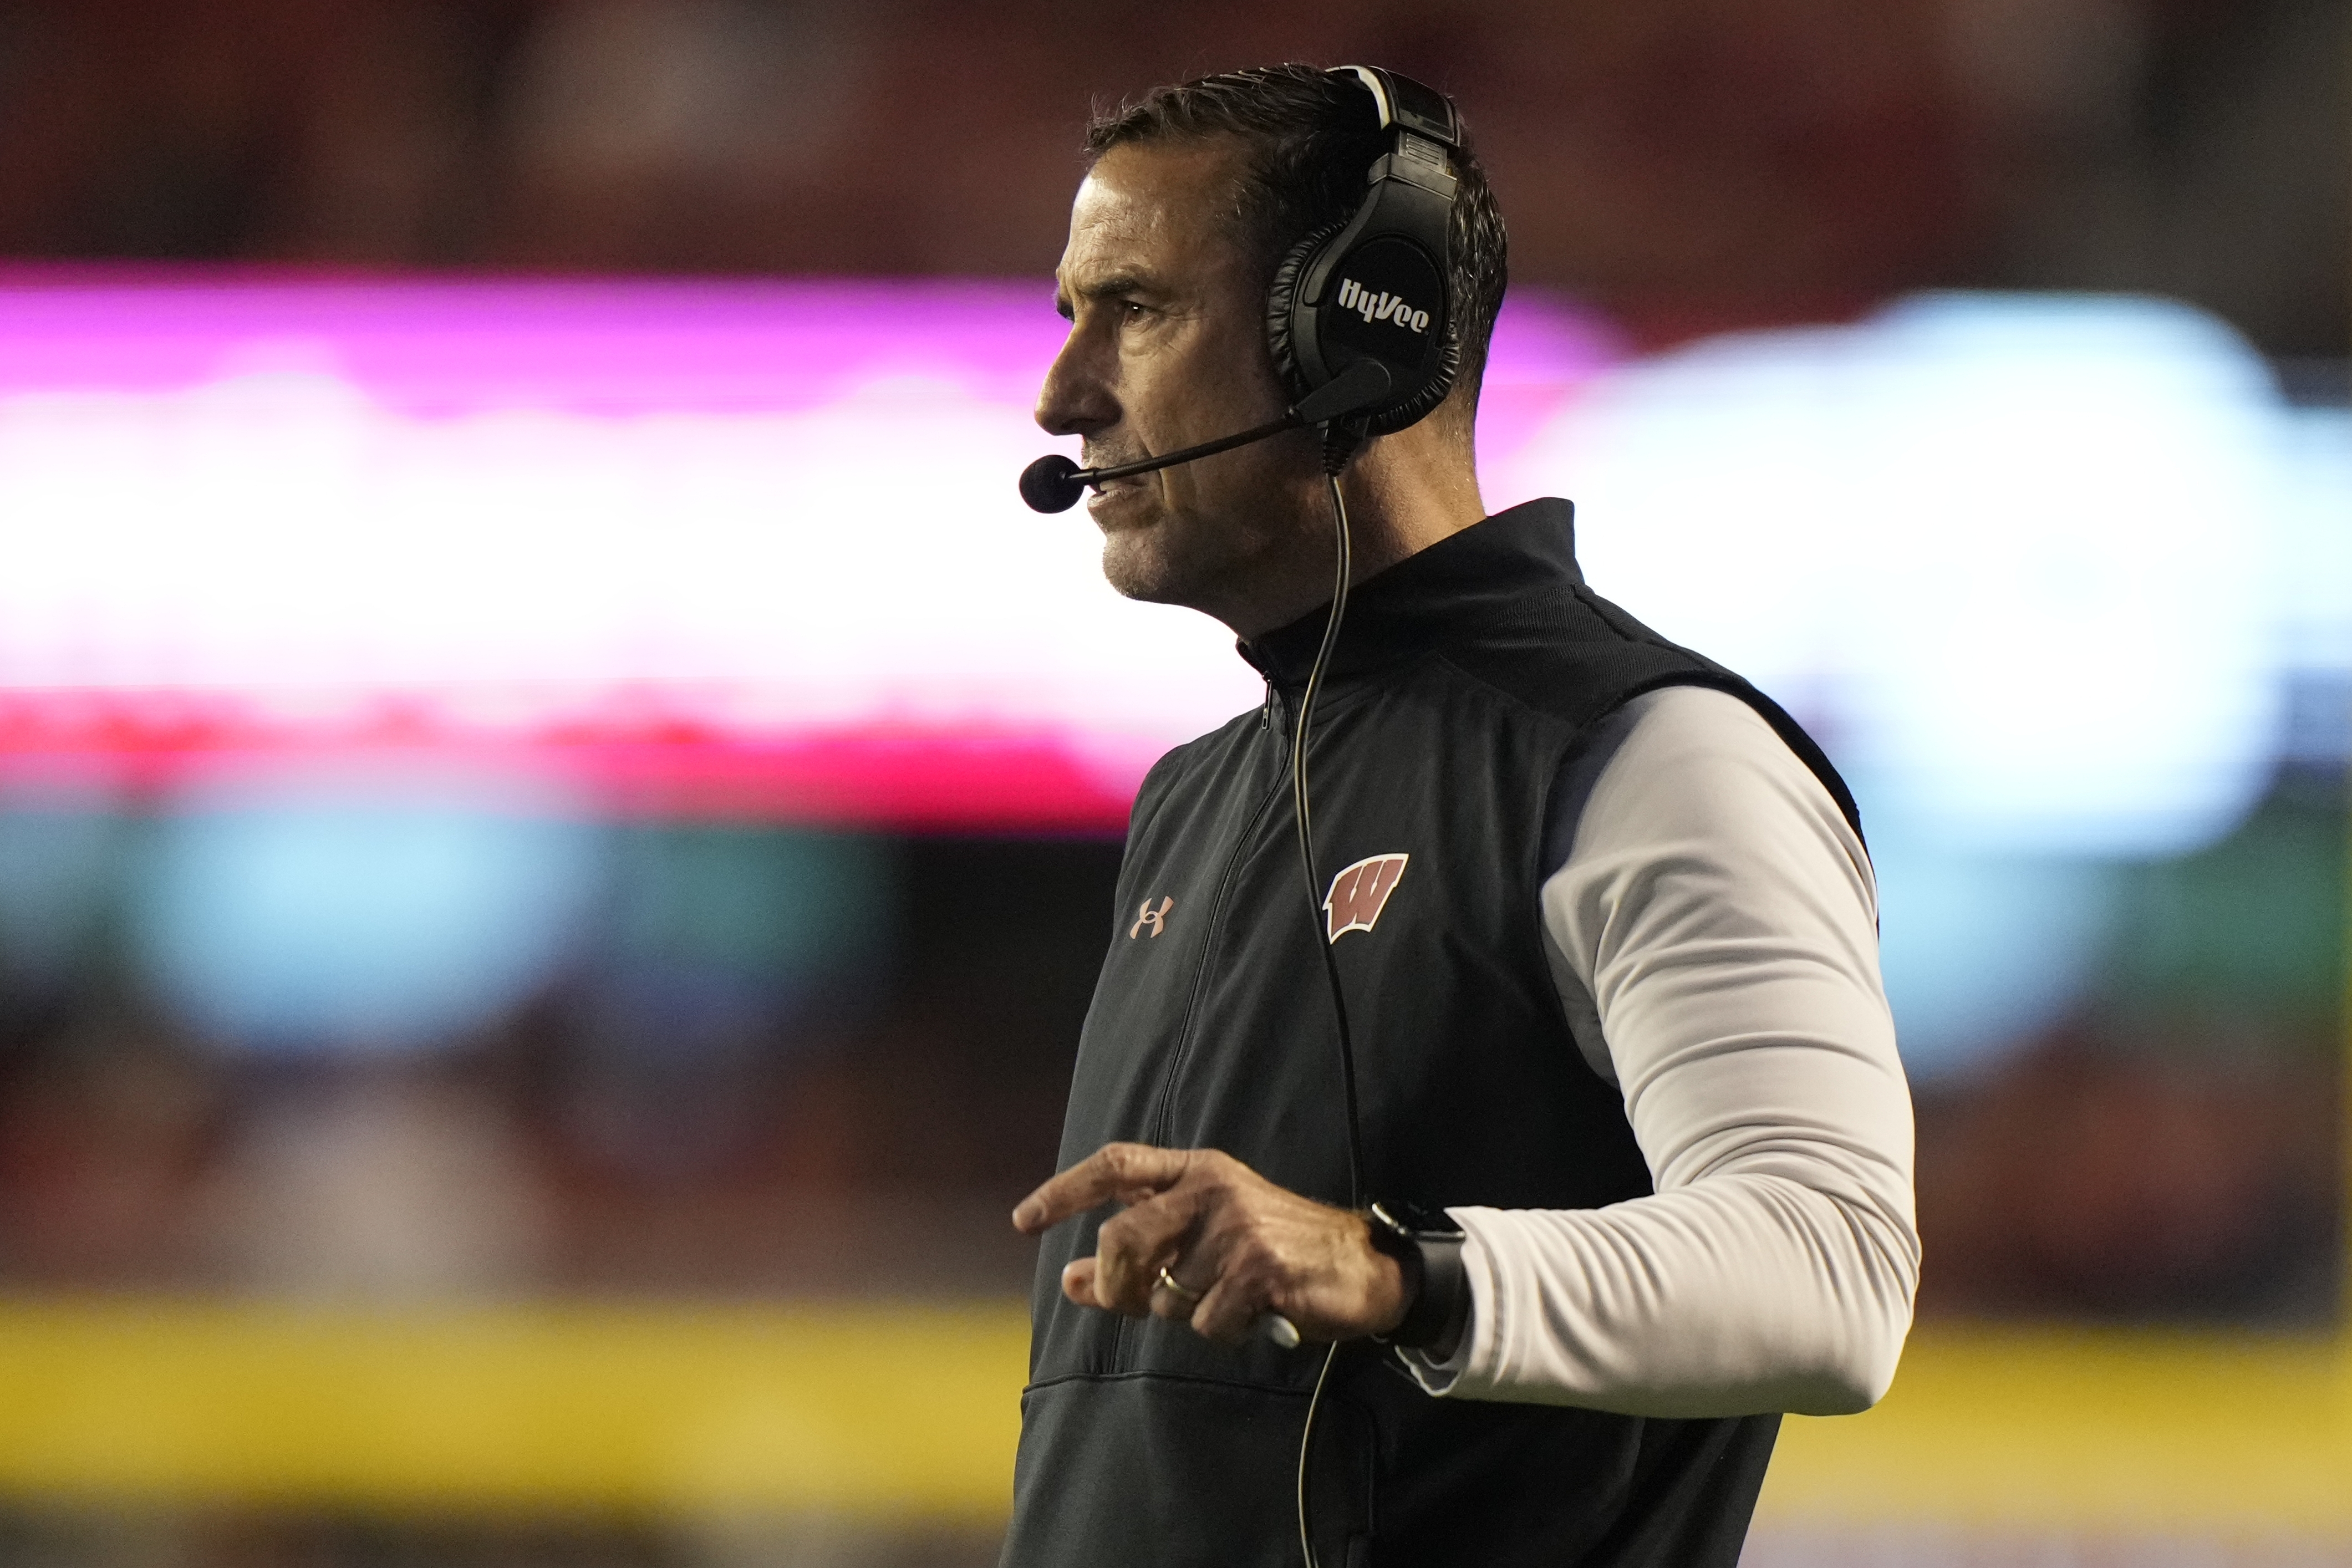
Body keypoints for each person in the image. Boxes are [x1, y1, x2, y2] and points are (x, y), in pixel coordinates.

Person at [1002, 64, 1918, 1568]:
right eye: (1067, 316)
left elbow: (1832, 1271)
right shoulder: (1193, 797)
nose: (1062, 392)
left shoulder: (1646, 756)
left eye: (1137, 309)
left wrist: (1396, 1265)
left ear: (1357, 326)